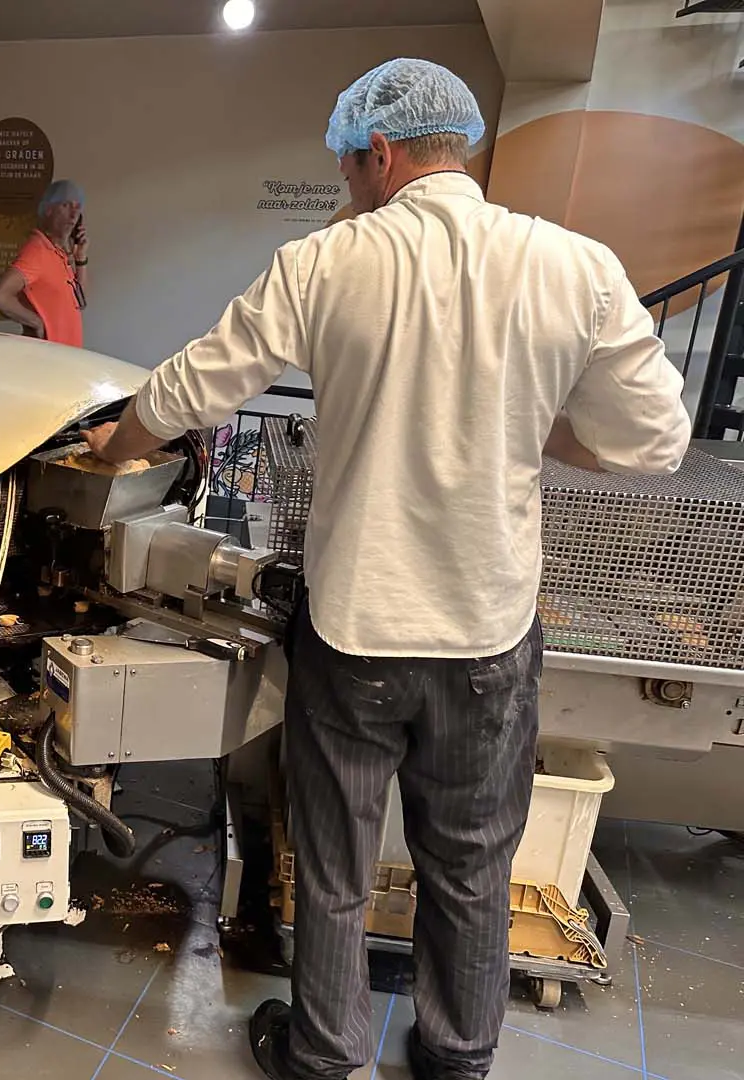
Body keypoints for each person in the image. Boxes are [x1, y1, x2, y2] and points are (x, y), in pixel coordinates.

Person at [83, 58, 690, 1080]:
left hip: (357, 629)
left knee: (334, 863)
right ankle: (457, 1055)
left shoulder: (325, 263)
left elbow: (195, 386)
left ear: (379, 150)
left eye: (347, 166)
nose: (343, 185)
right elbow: (657, 440)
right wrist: (535, 424)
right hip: (488, 634)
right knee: (473, 864)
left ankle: (325, 1054)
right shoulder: (574, 265)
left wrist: (114, 444)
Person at [0, 180, 89, 347]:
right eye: (65, 205)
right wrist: (36, 322)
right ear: (48, 209)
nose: (73, 215)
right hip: (48, 358)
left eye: (77, 208)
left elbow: (79, 300)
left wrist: (81, 259)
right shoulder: (37, 251)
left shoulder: (58, 252)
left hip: (67, 356)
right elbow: (0, 297)